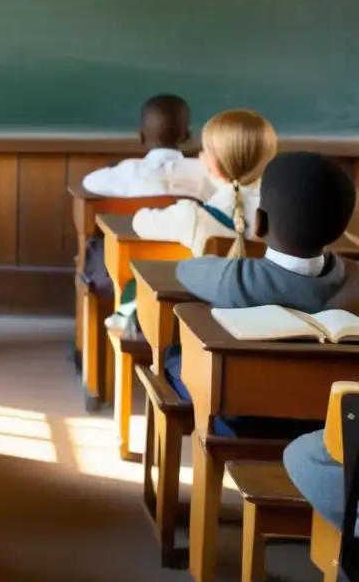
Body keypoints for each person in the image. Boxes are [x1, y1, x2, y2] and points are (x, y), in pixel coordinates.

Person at [172, 151, 359, 438]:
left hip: (243, 418)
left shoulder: (236, 280)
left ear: (259, 222)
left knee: (173, 356)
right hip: (330, 423)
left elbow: (186, 270)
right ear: (340, 230)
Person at [132, 109, 278, 257]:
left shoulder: (191, 217)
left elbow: (140, 222)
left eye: (204, 150)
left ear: (213, 164)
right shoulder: (287, 215)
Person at [82, 94, 213, 201]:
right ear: (188, 137)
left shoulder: (128, 172)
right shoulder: (208, 174)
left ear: (141, 137)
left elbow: (89, 182)